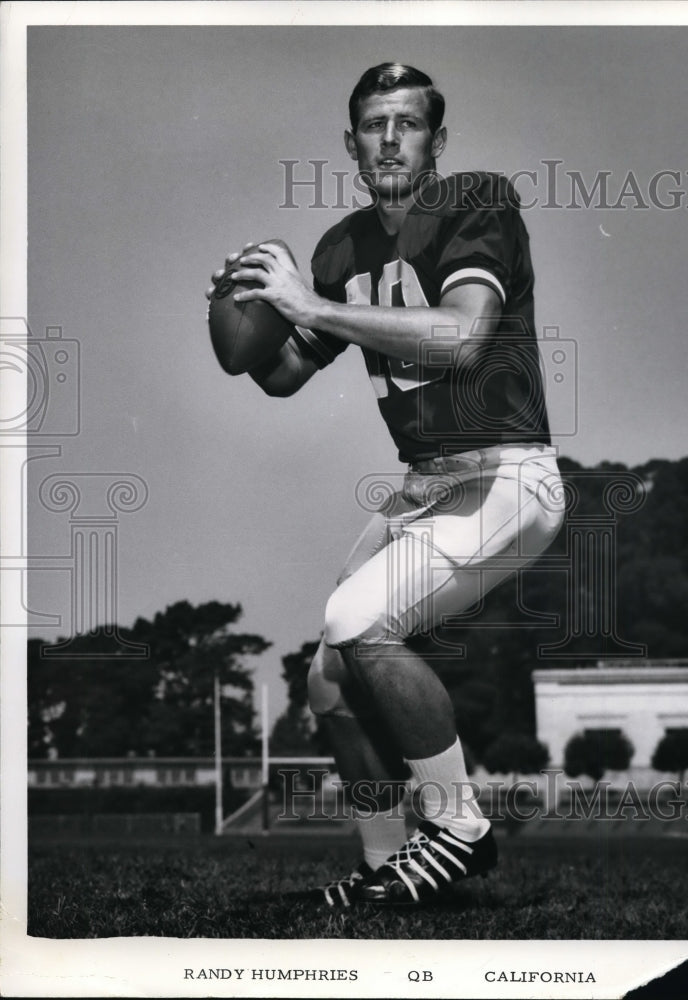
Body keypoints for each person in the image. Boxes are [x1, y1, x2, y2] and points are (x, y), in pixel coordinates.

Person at [207, 63, 564, 906]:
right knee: (327, 680)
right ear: (352, 144)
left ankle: (460, 828)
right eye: (375, 125)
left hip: (506, 476)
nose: (391, 139)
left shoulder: (476, 202)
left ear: (437, 142)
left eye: (409, 124)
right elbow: (284, 376)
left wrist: (311, 304)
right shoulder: (342, 247)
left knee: (355, 619)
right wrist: (246, 312)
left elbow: (462, 336)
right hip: (424, 486)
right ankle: (380, 864)